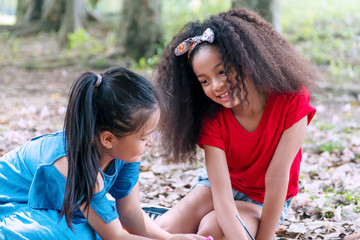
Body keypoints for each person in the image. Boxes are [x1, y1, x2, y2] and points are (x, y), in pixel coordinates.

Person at [154, 8, 318, 240]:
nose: (217, 86)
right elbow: (221, 195)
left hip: (263, 199)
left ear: (246, 60)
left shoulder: (292, 98)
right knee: (163, 229)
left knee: (213, 230)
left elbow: (278, 176)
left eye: (222, 71)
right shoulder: (212, 117)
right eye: (204, 81)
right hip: (217, 189)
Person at [0, 67, 207, 240]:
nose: (151, 142)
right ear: (108, 139)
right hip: (12, 207)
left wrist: (169, 238)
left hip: (56, 208)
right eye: (144, 138)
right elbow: (115, 236)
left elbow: (131, 213)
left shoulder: (127, 153)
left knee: (101, 221)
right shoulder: (74, 163)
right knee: (81, 233)